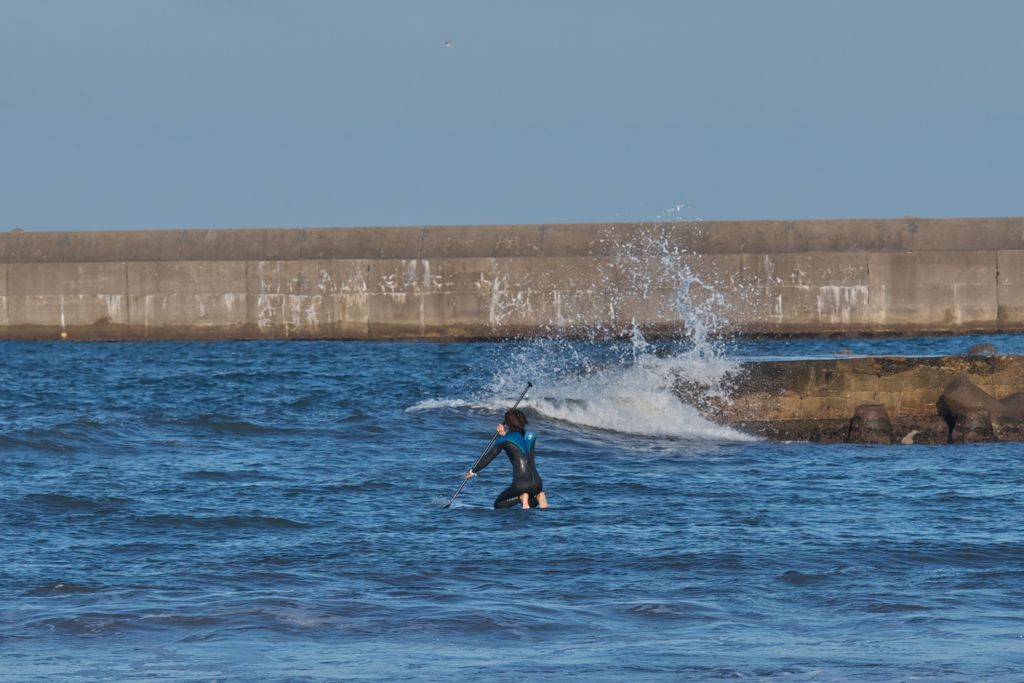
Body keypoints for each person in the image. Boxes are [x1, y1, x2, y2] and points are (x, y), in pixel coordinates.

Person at [464, 408, 548, 509]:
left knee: (498, 504)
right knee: (532, 501)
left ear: (508, 423)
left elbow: (488, 458)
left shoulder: (504, 440)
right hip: (537, 484)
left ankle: (521, 497)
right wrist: (505, 433)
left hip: (521, 484)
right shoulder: (532, 436)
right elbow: (519, 438)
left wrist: (473, 471)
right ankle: (539, 496)